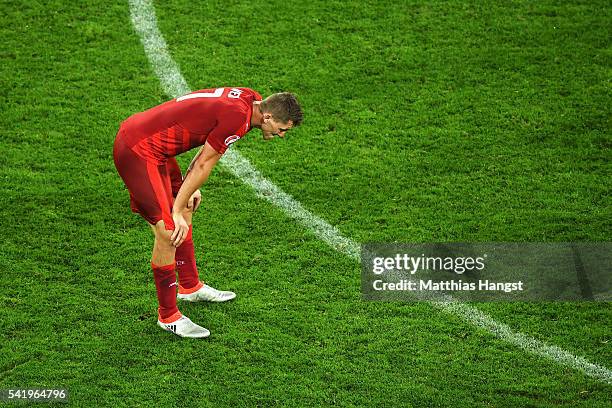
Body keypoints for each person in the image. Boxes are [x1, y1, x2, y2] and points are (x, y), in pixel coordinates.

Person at [113, 87, 303, 338]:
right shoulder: (238, 118)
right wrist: (176, 208)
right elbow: (205, 162)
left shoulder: (250, 100)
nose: (280, 135)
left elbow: (205, 151)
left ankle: (189, 286)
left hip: (153, 145)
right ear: (267, 117)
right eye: (282, 129)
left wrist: (186, 192)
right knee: (168, 231)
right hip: (139, 150)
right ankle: (168, 315)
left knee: (187, 204)